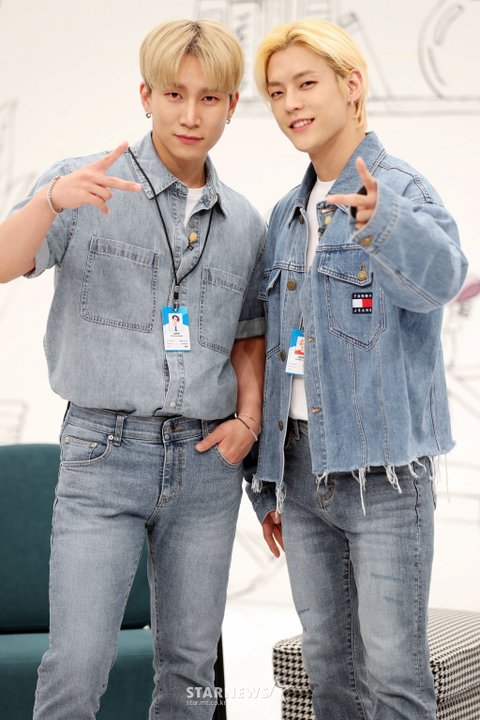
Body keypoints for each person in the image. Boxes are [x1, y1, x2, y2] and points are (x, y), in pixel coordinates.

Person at [0, 19, 265, 720]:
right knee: (77, 664)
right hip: (103, 454)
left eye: (209, 98)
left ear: (231, 107)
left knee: (191, 668)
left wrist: (248, 420)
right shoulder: (84, 182)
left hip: (207, 466)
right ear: (145, 96)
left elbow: (249, 335)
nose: (190, 114)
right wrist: (49, 202)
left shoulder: (244, 222)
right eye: (174, 94)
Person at [247, 18, 468, 720]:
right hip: (301, 471)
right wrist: (266, 481)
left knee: (395, 679)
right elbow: (276, 353)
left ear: (351, 85)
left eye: (306, 83)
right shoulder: (286, 215)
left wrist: (384, 222)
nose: (291, 103)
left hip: (385, 478)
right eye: (276, 91)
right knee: (330, 676)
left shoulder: (399, 189)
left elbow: (444, 280)